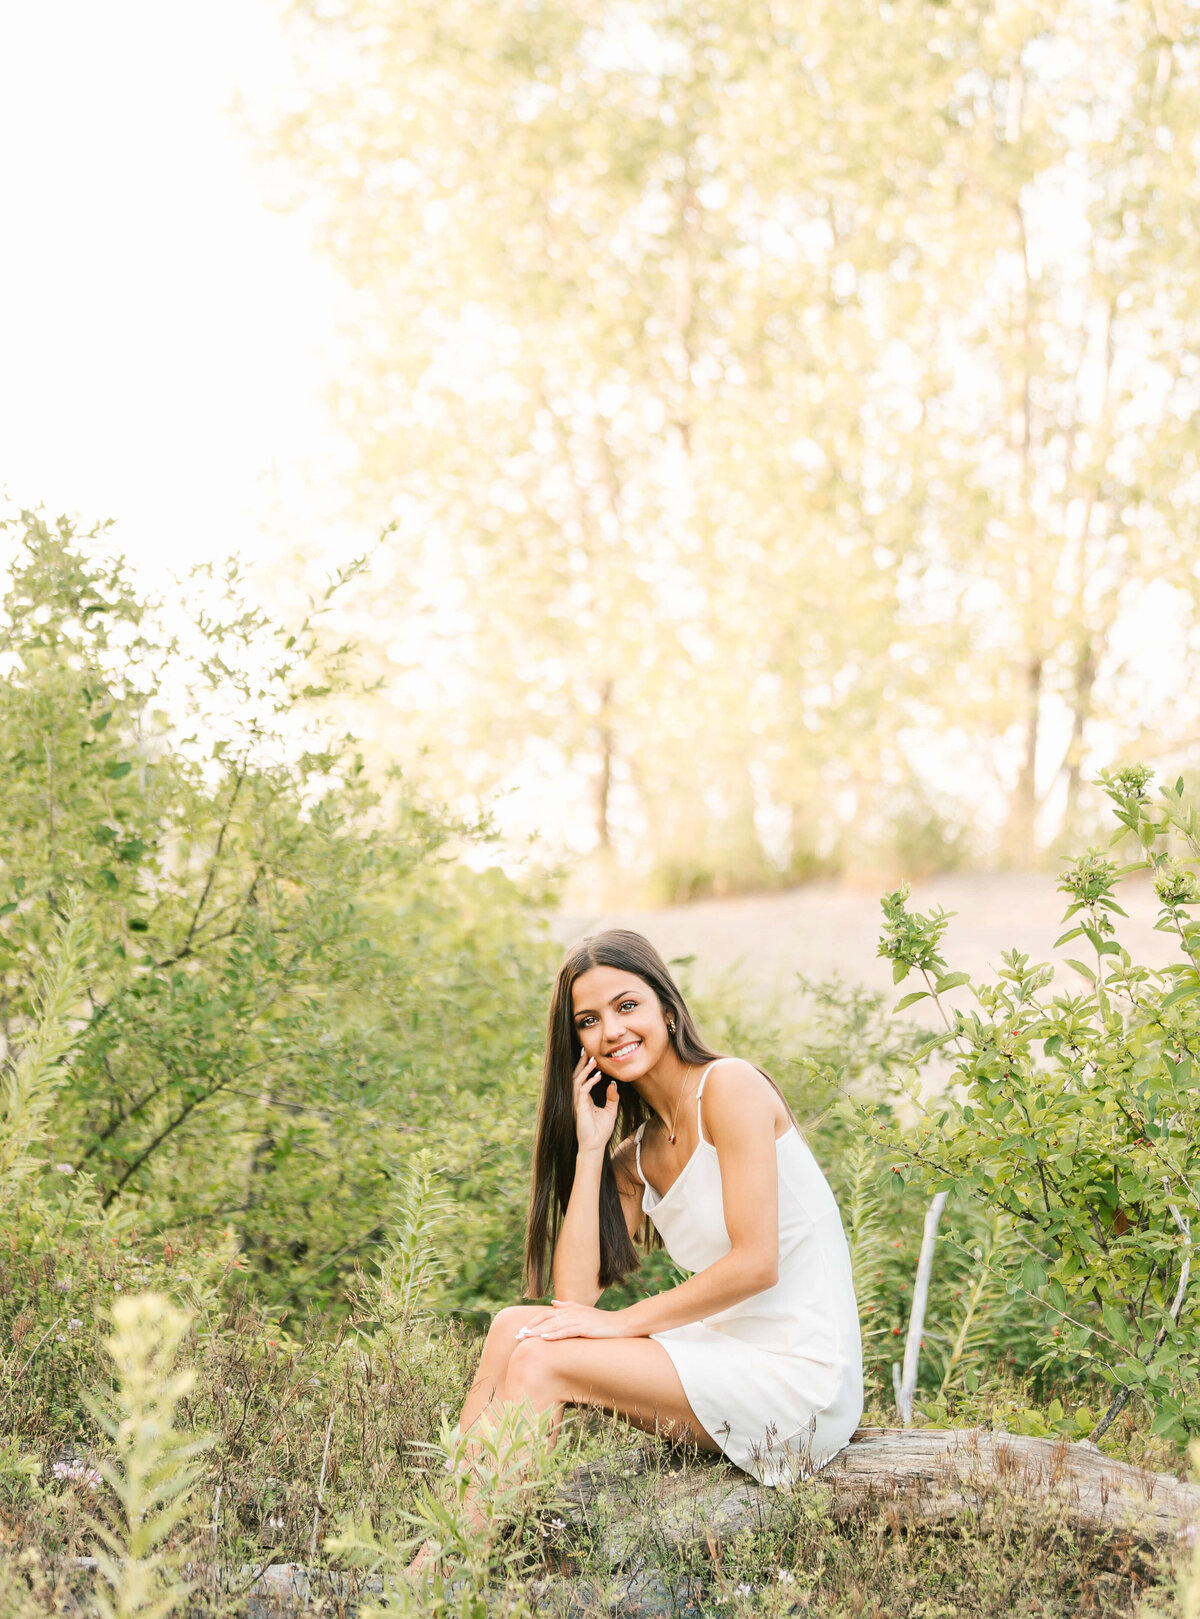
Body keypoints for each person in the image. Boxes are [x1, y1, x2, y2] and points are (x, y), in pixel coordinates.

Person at [412, 928, 863, 1568]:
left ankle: (448, 1573)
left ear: (666, 1009)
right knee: (515, 1326)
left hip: (800, 1381)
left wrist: (620, 1325)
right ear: (579, 1045)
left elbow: (757, 1262)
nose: (612, 1031)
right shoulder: (638, 1155)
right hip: (730, 1357)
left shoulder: (729, 1088)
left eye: (627, 1006)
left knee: (544, 1363)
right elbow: (574, 1299)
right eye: (589, 1021)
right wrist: (594, 1147)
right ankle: (446, 1537)